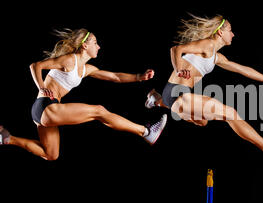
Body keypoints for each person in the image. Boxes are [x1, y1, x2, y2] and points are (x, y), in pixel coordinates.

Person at [145, 14, 263, 164]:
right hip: (177, 94)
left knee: (203, 122)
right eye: (230, 30)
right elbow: (175, 49)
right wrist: (178, 69)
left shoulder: (216, 57)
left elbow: (241, 69)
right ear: (220, 32)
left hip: (174, 96)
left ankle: (156, 100)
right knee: (230, 113)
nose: (233, 34)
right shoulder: (208, 45)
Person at [0, 28, 167, 160]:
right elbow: (35, 66)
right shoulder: (69, 60)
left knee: (51, 155)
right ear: (85, 45)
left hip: (44, 112)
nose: (99, 46)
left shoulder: (86, 69)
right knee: (99, 111)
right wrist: (42, 87)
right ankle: (145, 132)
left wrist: (139, 77)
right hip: (46, 107)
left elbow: (114, 77)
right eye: (95, 42)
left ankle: (9, 139)